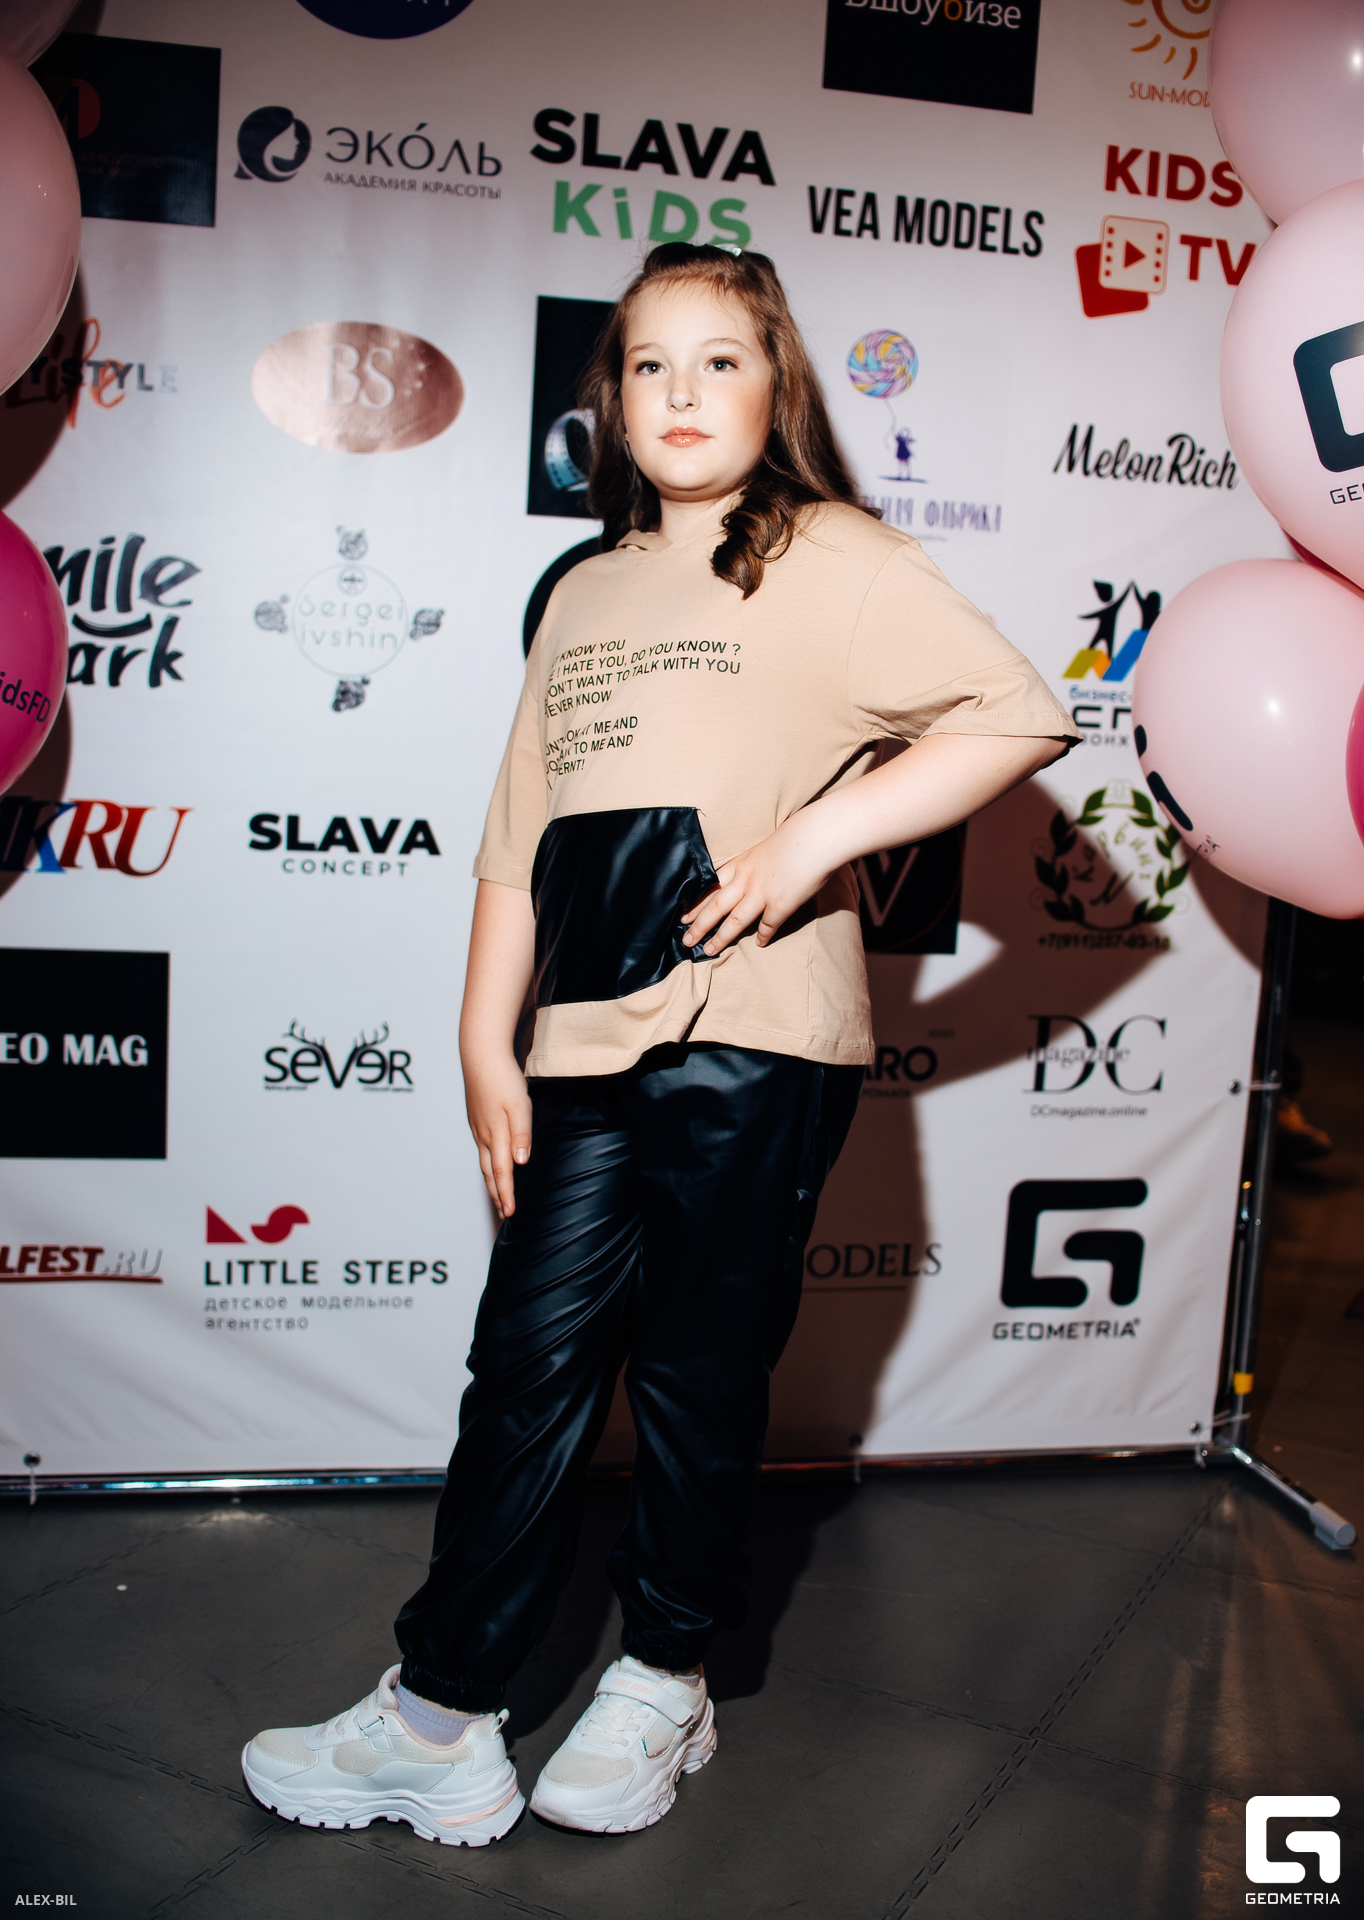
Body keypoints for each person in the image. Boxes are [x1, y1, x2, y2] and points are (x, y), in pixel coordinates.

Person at [241, 243, 1079, 1845]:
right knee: (523, 1374)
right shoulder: (581, 590)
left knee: (698, 1378)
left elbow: (1015, 712)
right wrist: (482, 1036)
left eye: (720, 361)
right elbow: (516, 839)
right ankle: (441, 1715)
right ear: (611, 401)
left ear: (776, 387)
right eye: (649, 366)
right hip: (578, 1043)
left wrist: (812, 840)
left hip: (757, 1037)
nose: (683, 393)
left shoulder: (836, 553)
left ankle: (663, 1676)